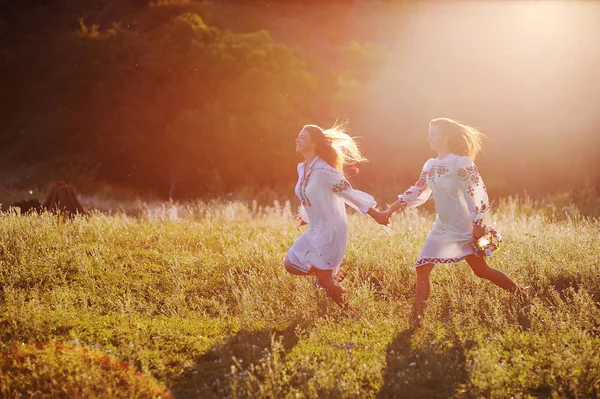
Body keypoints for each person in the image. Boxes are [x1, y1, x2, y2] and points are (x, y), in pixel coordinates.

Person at [384, 117, 526, 319]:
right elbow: (417, 189)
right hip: (441, 227)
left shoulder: (461, 162)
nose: (429, 139)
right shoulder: (430, 164)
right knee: (422, 268)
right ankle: (418, 317)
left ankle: (520, 293)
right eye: (429, 135)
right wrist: (390, 210)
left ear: (446, 136)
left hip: (463, 227)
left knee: (481, 271)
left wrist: (478, 224)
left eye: (433, 135)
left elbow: (476, 192)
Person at [284, 123, 389, 310]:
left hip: (332, 230)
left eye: (302, 137)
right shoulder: (302, 168)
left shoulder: (325, 170)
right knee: (291, 263)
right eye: (298, 136)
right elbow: (308, 195)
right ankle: (331, 275)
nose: (297, 139)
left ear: (314, 143)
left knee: (324, 279)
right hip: (316, 228)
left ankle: (349, 311)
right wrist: (305, 216)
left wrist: (375, 214)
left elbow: (348, 193)